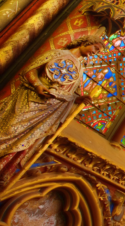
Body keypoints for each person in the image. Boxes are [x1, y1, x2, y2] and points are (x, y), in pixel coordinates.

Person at [0, 35, 105, 174]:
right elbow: (30, 70)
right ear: (86, 42)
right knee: (9, 128)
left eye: (98, 52)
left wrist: (77, 99)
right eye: (95, 48)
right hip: (30, 99)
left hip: (48, 111)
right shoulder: (57, 54)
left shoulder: (80, 68)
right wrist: (38, 85)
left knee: (25, 140)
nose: (95, 53)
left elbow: (65, 92)